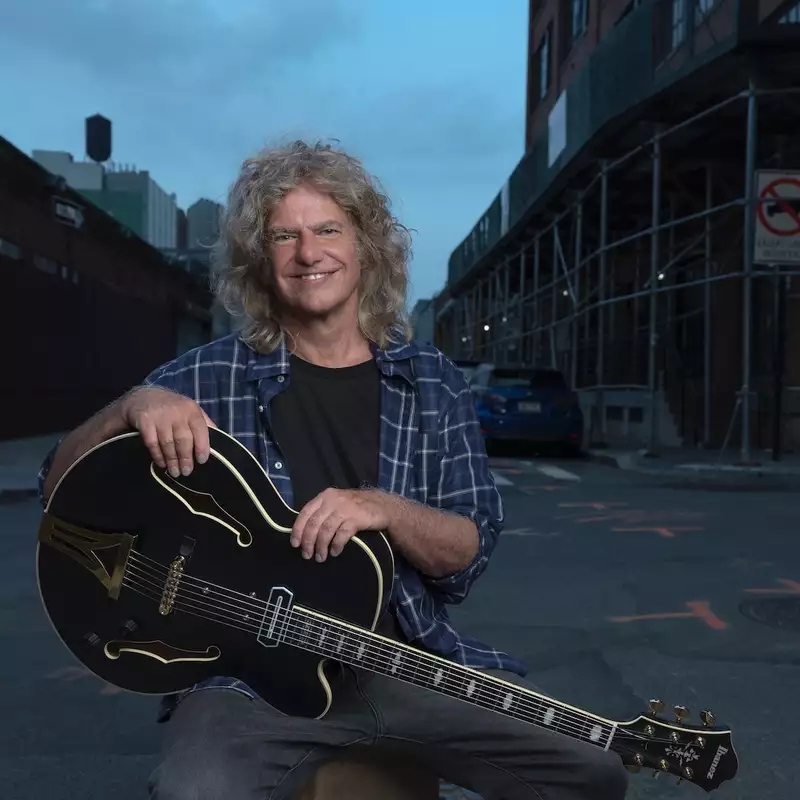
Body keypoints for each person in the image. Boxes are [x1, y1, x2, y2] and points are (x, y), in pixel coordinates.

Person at [38, 141, 629, 800]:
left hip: (401, 660)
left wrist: (384, 508)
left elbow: (468, 552)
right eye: (284, 236)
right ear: (261, 261)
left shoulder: (434, 383)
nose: (307, 252)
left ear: (365, 246)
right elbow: (56, 487)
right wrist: (130, 407)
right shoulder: (202, 376)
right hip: (247, 684)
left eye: (326, 229)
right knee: (196, 793)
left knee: (592, 771)